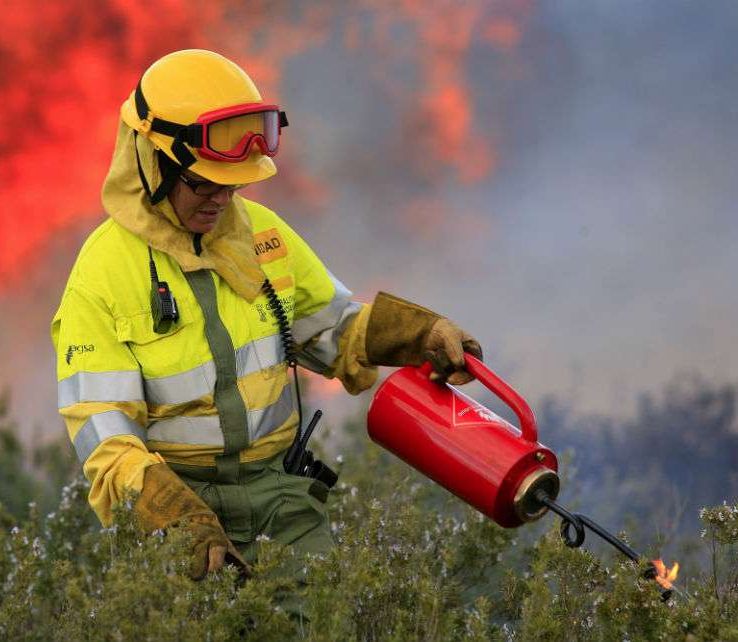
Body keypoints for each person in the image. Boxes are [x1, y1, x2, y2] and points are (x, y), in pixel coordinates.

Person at [51, 49, 482, 581]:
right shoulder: (101, 276)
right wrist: (178, 520)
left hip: (281, 499)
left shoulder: (264, 236)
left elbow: (332, 328)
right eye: (203, 183)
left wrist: (417, 333)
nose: (221, 199)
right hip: (179, 507)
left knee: (320, 622)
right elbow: (106, 439)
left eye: (232, 184)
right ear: (153, 163)